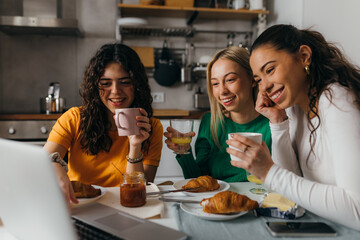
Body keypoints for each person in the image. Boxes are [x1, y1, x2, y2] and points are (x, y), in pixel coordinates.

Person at [228, 24, 360, 230]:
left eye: (270, 70)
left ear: (304, 56)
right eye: (258, 80)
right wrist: (278, 122)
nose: (264, 87)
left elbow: (357, 209)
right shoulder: (295, 109)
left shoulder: (336, 99)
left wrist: (269, 172)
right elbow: (292, 190)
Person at [44, 43, 163, 205]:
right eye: (106, 83)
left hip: (127, 207)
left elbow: (139, 192)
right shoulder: (73, 118)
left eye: (125, 82)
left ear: (137, 85)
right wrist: (56, 169)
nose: (115, 91)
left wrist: (135, 146)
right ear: (95, 86)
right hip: (81, 206)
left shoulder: (152, 128)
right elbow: (43, 160)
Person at [164, 46, 272, 182]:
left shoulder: (274, 123)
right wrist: (184, 151)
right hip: (219, 200)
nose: (222, 91)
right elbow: (199, 181)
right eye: (215, 83)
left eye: (230, 80)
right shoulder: (210, 123)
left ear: (252, 79)